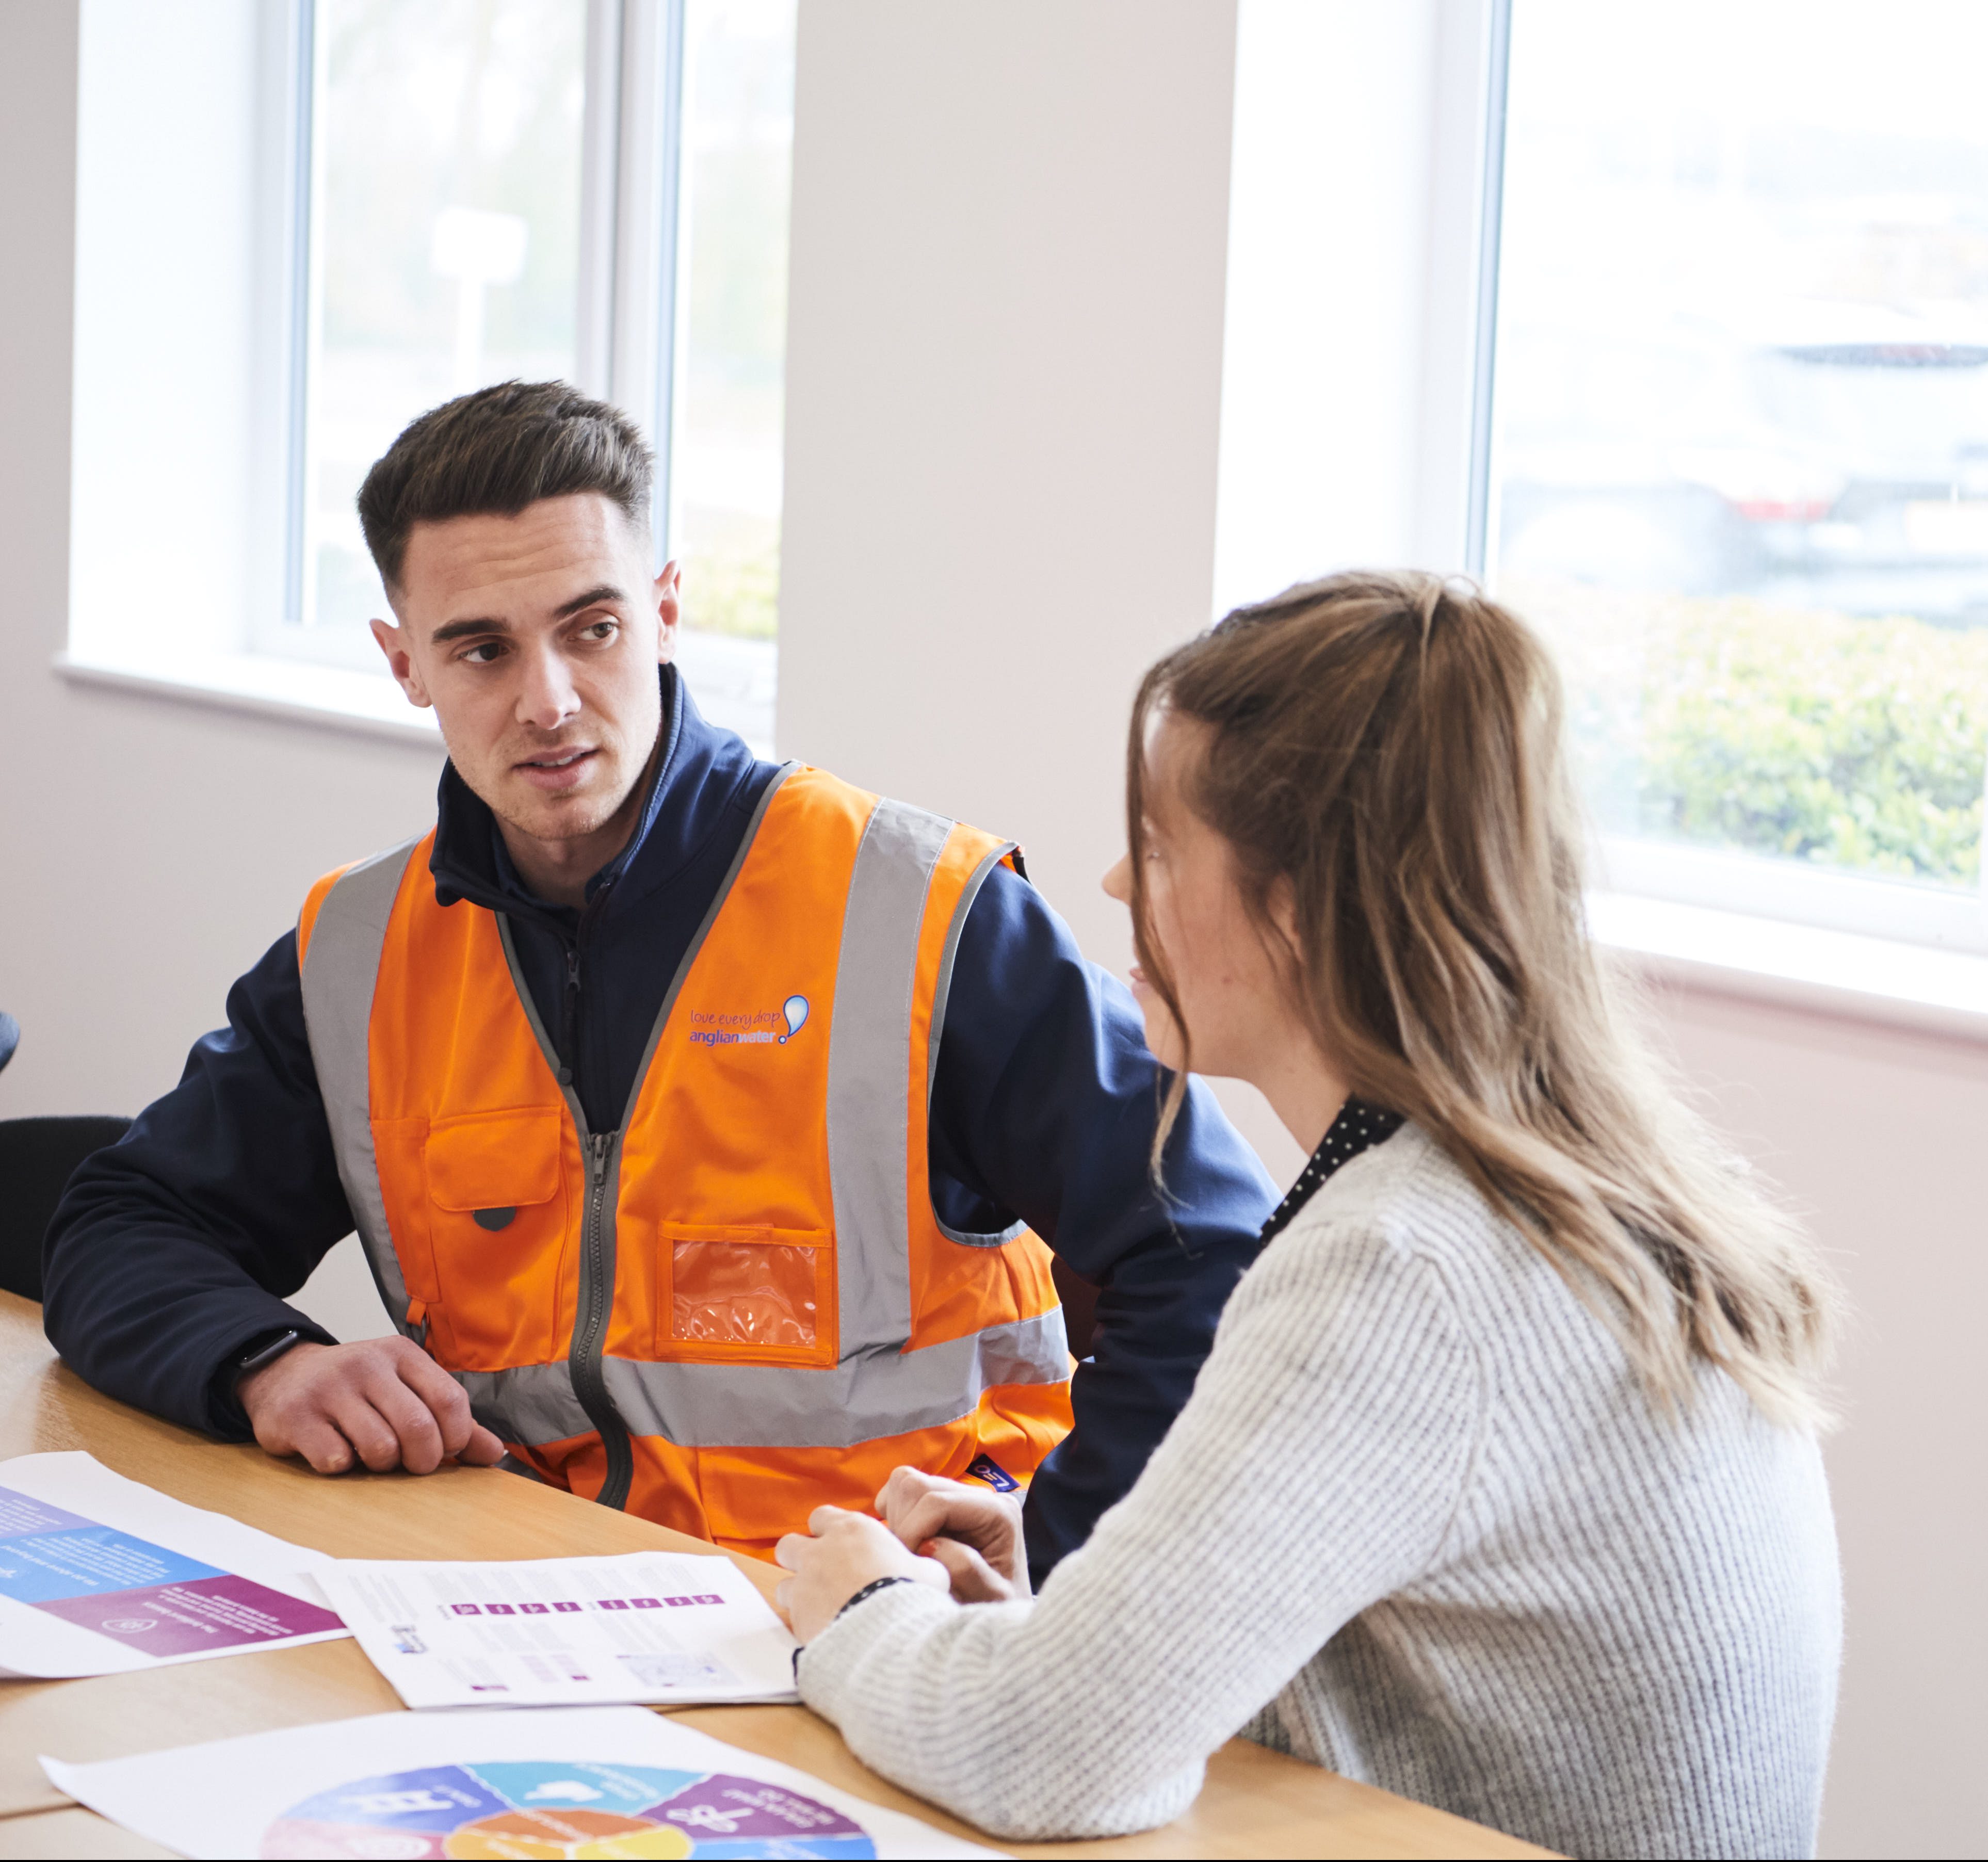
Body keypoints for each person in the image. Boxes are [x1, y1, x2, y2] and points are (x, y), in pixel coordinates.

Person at [42, 381, 1276, 1575]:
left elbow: (1216, 1252)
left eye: (594, 627)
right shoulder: (363, 951)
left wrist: (1061, 1553)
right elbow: (121, 1225)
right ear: (404, 661)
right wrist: (266, 1360)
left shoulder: (912, 911)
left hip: (876, 1633)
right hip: (515, 1609)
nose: (550, 700)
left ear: (669, 605)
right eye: (481, 649)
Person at [772, 571, 1844, 1858]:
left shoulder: (1406, 1260)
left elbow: (1043, 1755)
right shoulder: (1560, 1184)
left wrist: (863, 1614)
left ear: (1297, 905)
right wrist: (1058, 1617)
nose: (1116, 879)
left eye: (1162, 847)